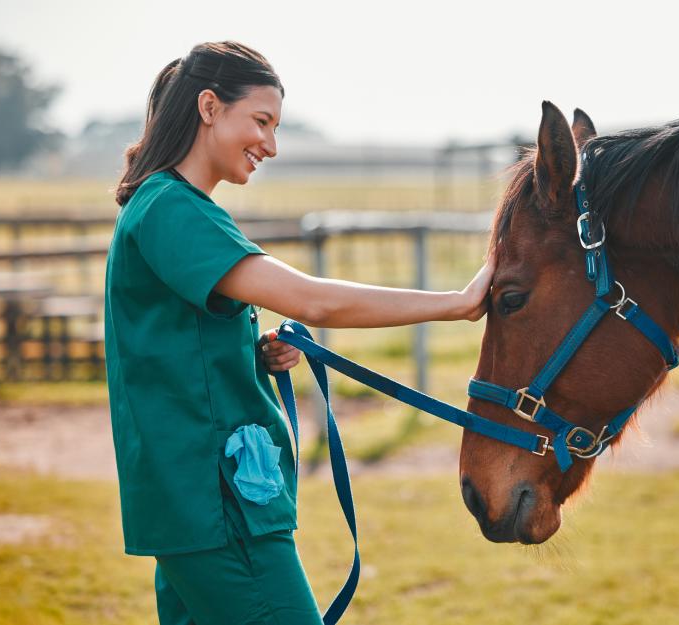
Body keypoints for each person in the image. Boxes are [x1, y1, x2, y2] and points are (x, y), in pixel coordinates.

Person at [106, 41, 494, 625]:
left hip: (195, 502)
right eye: (260, 121)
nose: (271, 144)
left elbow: (178, 342)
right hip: (218, 504)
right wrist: (458, 303)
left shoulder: (166, 205)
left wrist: (254, 352)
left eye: (276, 126)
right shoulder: (171, 208)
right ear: (209, 107)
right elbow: (314, 299)